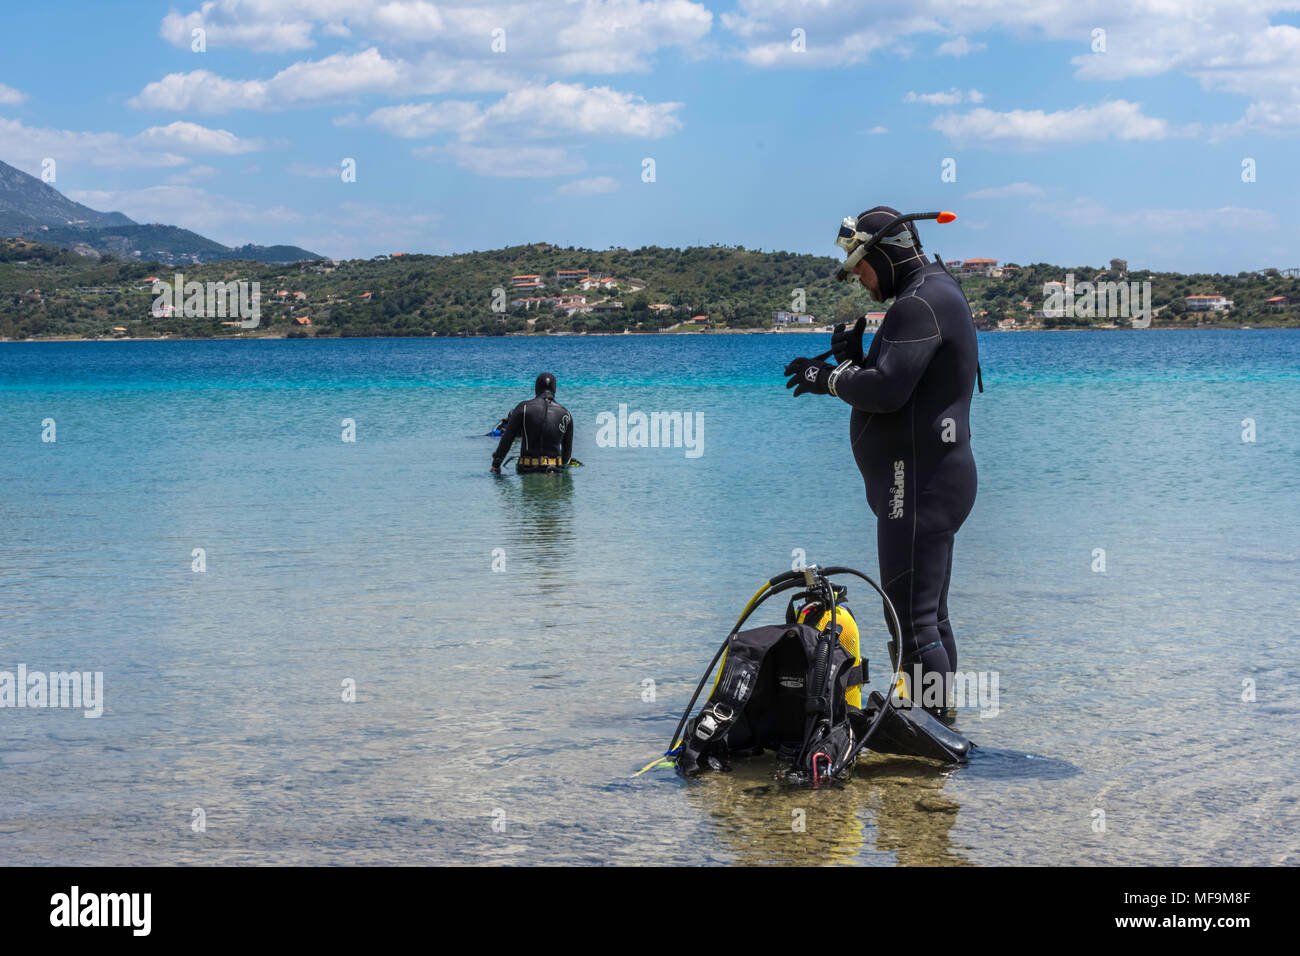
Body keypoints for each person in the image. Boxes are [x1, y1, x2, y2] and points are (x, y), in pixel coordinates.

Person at [783, 206, 979, 722]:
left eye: (860, 267)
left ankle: (933, 731)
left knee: (912, 622)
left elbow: (890, 392)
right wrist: (856, 359)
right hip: (932, 478)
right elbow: (906, 384)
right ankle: (935, 724)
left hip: (917, 484)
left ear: (885, 253)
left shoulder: (919, 303)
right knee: (928, 617)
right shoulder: (936, 291)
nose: (859, 280)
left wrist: (823, 377)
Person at [491, 372, 574, 474]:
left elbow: (507, 439)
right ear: (554, 389)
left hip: (527, 470)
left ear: (536, 388)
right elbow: (567, 454)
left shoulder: (524, 408)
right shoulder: (566, 414)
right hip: (554, 472)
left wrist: (496, 464)